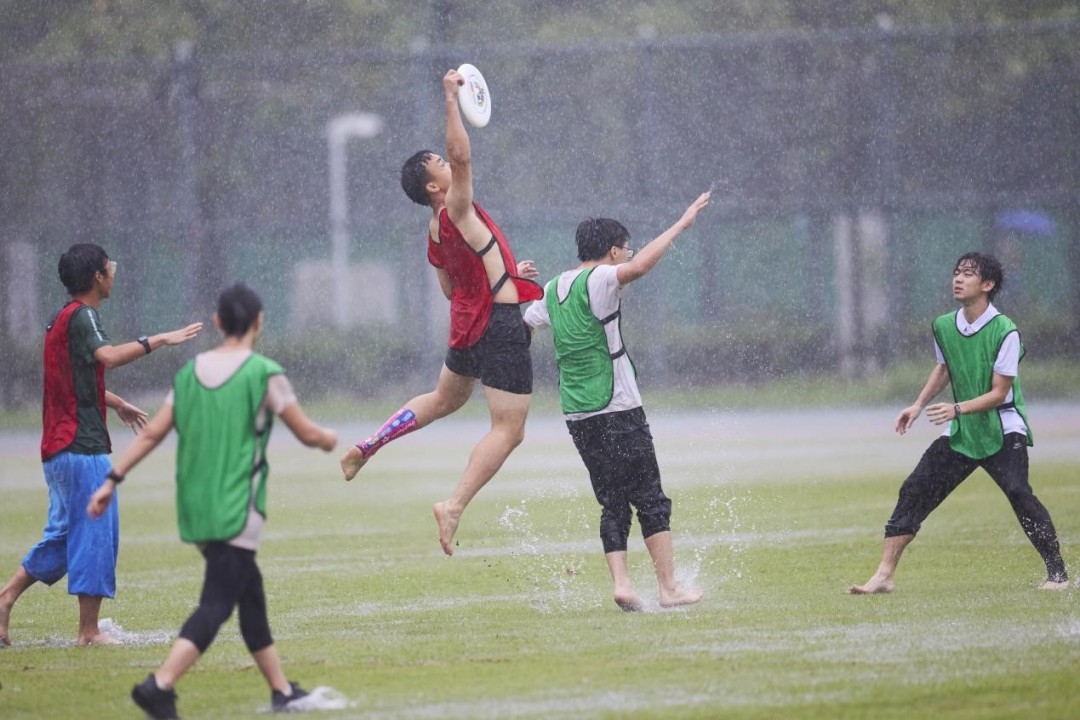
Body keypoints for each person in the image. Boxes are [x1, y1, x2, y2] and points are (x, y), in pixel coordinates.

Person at [87, 282, 337, 719]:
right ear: (259, 322)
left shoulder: (189, 374)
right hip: (238, 508)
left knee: (249, 593)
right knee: (217, 603)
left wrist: (113, 478)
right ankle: (159, 685)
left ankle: (281, 691)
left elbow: (152, 432)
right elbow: (308, 433)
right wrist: (330, 438)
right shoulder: (264, 373)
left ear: (218, 322)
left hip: (197, 504)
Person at [340, 67, 542, 556]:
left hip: (467, 326)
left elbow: (453, 287)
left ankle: (368, 445)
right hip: (497, 324)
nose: (449, 167)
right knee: (509, 429)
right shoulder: (456, 207)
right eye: (439, 168)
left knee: (441, 399)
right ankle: (453, 506)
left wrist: (510, 269)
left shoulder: (434, 230)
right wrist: (451, 98)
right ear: (435, 188)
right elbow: (461, 152)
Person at [0, 243, 202, 647]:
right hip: (80, 446)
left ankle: (4, 600)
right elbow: (107, 357)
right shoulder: (84, 316)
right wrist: (159, 339)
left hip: (58, 449)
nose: (114, 271)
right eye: (110, 266)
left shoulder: (59, 318)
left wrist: (116, 402)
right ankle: (89, 632)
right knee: (95, 533)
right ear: (97, 276)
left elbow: (71, 380)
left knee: (63, 536)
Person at [523, 193, 710, 611]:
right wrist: (681, 224)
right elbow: (641, 267)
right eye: (626, 248)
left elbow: (522, 324)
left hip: (578, 412)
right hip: (620, 406)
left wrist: (510, 281)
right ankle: (668, 588)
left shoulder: (554, 288)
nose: (629, 254)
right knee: (650, 497)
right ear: (612, 251)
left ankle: (623, 584)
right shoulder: (603, 278)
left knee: (612, 499)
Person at [849, 252, 1068, 595]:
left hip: (1001, 426)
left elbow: (999, 393)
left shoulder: (1005, 331)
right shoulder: (943, 325)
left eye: (968, 274)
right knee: (915, 489)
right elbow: (945, 367)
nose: (958, 278)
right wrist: (918, 405)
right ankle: (884, 575)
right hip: (963, 429)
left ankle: (1058, 575)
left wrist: (957, 409)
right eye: (956, 272)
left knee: (1018, 492)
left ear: (988, 285)